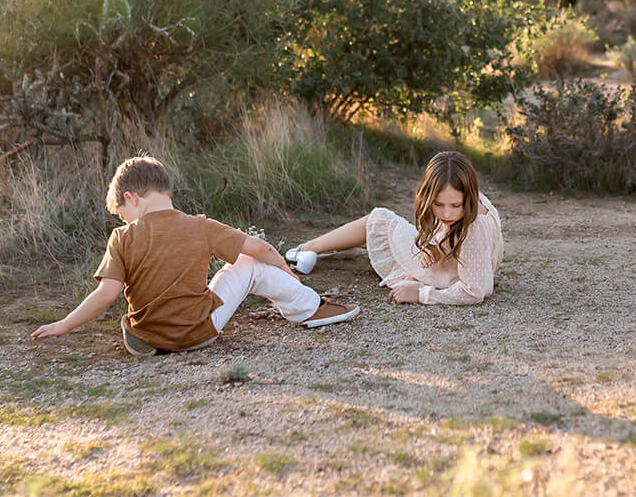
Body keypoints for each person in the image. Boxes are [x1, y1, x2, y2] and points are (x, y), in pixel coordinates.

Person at [31, 156, 358, 354]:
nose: (125, 220)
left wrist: (65, 324)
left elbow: (106, 295)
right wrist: (288, 274)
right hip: (198, 334)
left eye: (122, 213)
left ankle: (150, 334)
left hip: (150, 335)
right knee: (246, 261)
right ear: (167, 192)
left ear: (130, 197)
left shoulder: (123, 237)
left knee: (231, 267)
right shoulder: (200, 226)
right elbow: (262, 249)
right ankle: (310, 307)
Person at [287, 151, 502, 305]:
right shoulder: (473, 204)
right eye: (438, 204)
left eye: (455, 205)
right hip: (446, 263)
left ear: (469, 196)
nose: (446, 213)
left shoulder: (475, 224)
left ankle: (308, 249)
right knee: (380, 230)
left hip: (447, 276)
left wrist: (422, 294)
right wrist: (434, 246)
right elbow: (452, 238)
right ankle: (324, 250)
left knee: (380, 220)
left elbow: (475, 292)